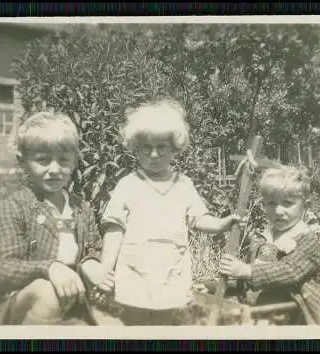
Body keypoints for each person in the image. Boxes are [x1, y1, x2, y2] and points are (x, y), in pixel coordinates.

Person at [93, 97, 247, 325]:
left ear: (175, 148)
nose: (154, 154)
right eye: (147, 147)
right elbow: (114, 229)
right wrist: (105, 269)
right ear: (136, 148)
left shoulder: (183, 184)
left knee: (170, 322)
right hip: (135, 273)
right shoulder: (128, 185)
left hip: (172, 272)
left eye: (161, 147)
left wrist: (223, 223)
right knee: (136, 323)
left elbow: (198, 218)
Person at [0, 111, 110, 326]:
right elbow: (0, 269)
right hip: (20, 299)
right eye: (42, 160)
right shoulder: (15, 206)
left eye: (64, 160)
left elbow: (92, 248)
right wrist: (49, 268)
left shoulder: (80, 208)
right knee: (48, 292)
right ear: (23, 162)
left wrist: (91, 265)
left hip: (70, 295)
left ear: (75, 160)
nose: (55, 170)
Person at [219, 165, 320, 325]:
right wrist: (218, 285)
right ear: (264, 204)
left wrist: (247, 271)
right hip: (262, 309)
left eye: (287, 203)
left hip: (294, 312)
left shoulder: (306, 240)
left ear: (305, 206)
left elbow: (290, 271)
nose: (278, 210)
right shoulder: (264, 238)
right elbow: (248, 275)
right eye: (271, 203)